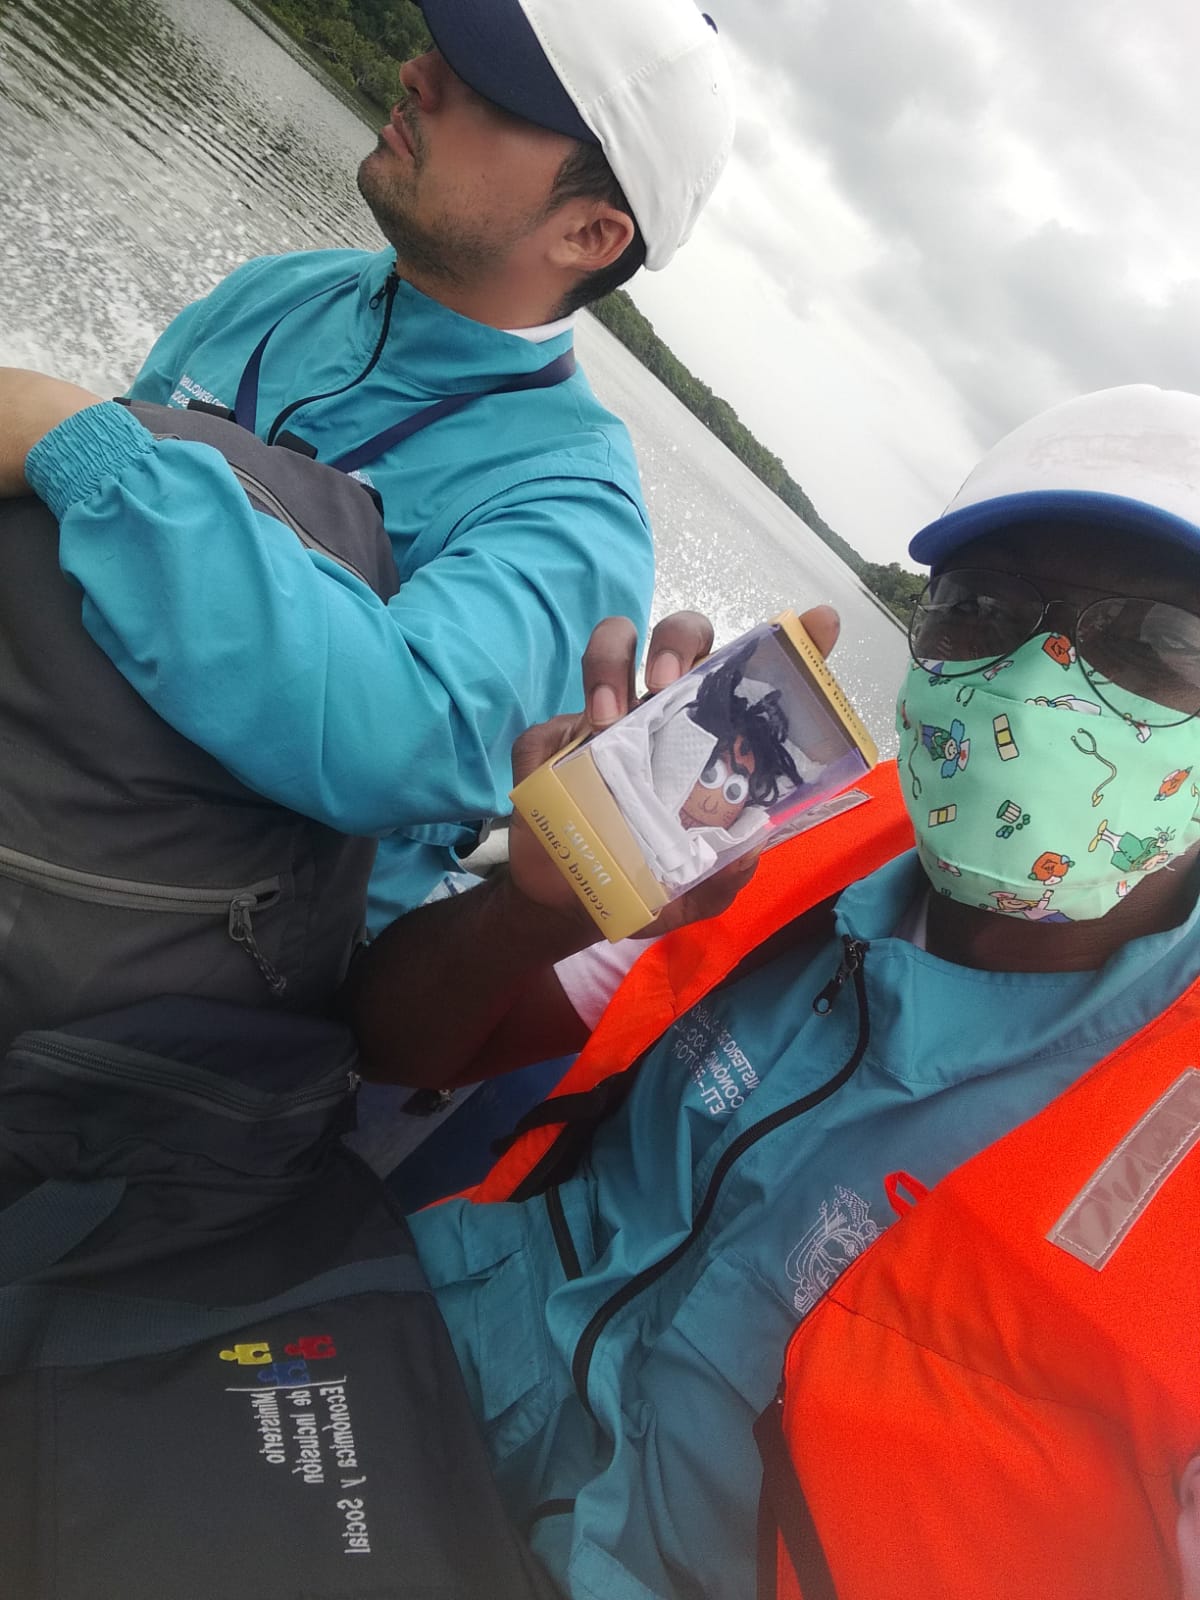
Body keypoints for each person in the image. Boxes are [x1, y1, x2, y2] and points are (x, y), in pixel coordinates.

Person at [346, 384, 1200, 1599]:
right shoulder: (783, 834)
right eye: (983, 607)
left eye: (1161, 639)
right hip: (402, 1371)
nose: (1034, 679)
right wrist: (540, 906)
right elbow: (396, 1045)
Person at [0, 0, 734, 932]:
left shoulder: (573, 508)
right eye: (442, 46)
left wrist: (90, 458)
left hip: (173, 955)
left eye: (487, 89)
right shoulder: (281, 290)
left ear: (589, 235)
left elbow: (391, 729)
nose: (417, 74)